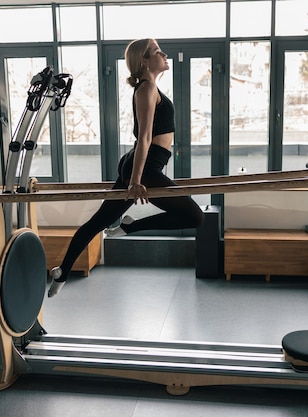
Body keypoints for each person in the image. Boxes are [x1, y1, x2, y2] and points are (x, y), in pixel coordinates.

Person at [48, 38, 204, 297]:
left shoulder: (151, 88)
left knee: (98, 222)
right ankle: (129, 226)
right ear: (144, 61)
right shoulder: (146, 89)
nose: (164, 54)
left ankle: (62, 271)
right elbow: (144, 137)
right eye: (157, 52)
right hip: (146, 168)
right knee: (195, 217)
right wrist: (135, 180)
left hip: (143, 164)